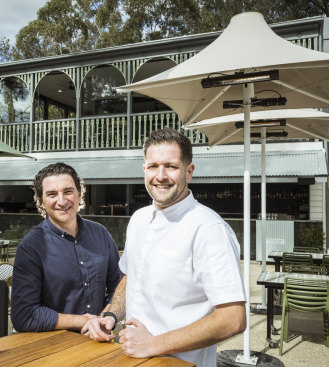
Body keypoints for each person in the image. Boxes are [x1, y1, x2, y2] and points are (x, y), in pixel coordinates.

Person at [83, 128, 246, 367]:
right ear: (144, 170)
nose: (161, 175)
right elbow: (132, 277)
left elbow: (233, 318)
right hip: (132, 359)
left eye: (171, 166)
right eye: (153, 166)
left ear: (189, 171)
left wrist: (153, 344)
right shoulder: (138, 218)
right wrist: (110, 315)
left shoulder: (209, 229)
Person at [11, 162, 123, 332]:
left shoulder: (101, 234)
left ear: (79, 194)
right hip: (53, 347)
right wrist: (83, 321)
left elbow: (119, 283)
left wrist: (109, 316)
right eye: (52, 194)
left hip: (100, 341)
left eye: (68, 191)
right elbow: (24, 315)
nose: (61, 201)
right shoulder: (31, 247)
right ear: (41, 200)